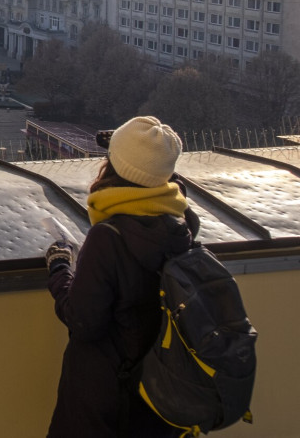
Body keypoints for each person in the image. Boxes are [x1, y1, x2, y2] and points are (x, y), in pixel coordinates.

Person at [45, 116, 198, 438]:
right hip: (159, 391)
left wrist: (59, 266)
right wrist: (136, 151)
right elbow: (166, 179)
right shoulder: (182, 225)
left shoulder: (109, 237)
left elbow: (82, 320)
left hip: (106, 396)